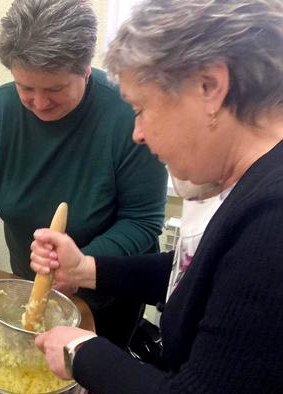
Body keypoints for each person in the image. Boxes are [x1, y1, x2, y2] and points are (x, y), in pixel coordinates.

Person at [32, 0, 283, 392]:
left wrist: (83, 351)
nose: (138, 133)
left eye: (141, 108)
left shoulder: (273, 218)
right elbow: (193, 273)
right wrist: (83, 269)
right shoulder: (248, 188)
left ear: (209, 86)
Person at [0, 0, 167, 348]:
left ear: (85, 71)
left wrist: (80, 269)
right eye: (25, 88)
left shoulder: (128, 117)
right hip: (30, 278)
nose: (39, 102)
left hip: (105, 291)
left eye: (54, 89)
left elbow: (142, 221)